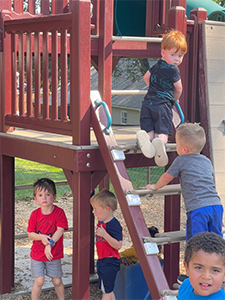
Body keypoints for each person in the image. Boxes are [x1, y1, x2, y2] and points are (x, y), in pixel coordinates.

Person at [146, 122, 223, 241]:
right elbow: (211, 181)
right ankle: (218, 259)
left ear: (184, 149)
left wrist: (155, 186)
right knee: (215, 240)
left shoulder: (181, 160)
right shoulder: (206, 161)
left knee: (196, 241)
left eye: (177, 144)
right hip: (216, 206)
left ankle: (194, 259)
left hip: (198, 209)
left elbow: (167, 176)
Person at [136, 30, 187, 167]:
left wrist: (153, 87)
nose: (177, 59)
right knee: (162, 131)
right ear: (162, 52)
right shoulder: (173, 70)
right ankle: (161, 144)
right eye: (173, 54)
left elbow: (146, 77)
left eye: (180, 56)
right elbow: (179, 88)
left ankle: (145, 139)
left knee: (149, 131)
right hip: (163, 105)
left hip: (147, 103)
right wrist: (175, 100)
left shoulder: (157, 65)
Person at [27, 178, 68, 300]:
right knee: (39, 281)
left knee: (57, 281)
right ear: (35, 199)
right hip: (37, 254)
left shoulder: (59, 213)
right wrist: (41, 237)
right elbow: (30, 234)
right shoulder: (35, 214)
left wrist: (49, 244)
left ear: (54, 197)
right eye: (40, 195)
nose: (44, 198)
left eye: (48, 194)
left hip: (53, 254)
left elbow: (60, 230)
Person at [90, 189, 123, 300]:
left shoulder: (114, 225)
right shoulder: (102, 222)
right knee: (109, 290)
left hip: (110, 262)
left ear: (106, 209)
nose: (93, 212)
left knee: (106, 293)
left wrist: (104, 235)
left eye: (95, 209)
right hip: (102, 260)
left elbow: (118, 245)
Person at [178, 232, 225, 299]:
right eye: (199, 268)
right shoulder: (186, 285)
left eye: (215, 270)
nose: (206, 277)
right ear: (187, 268)